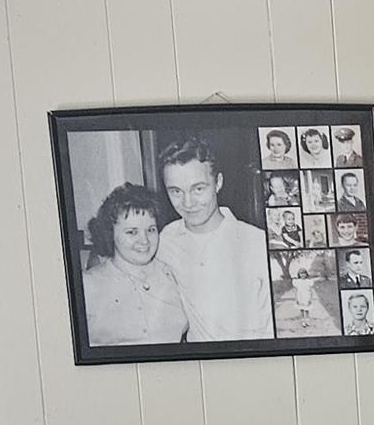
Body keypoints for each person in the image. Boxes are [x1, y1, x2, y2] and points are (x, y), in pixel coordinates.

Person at [153, 139, 275, 341]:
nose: (188, 203)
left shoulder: (257, 243)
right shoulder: (165, 240)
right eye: (176, 191)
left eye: (198, 189)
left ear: (218, 182)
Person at [80, 183, 188, 347]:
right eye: (132, 232)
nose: (144, 241)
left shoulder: (172, 274)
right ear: (110, 233)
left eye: (151, 230)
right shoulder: (87, 285)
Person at [273, 247, 339, 339]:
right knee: (301, 308)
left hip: (307, 296)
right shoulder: (297, 282)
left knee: (307, 308)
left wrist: (310, 297)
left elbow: (310, 290)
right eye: (301, 274)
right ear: (299, 275)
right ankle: (302, 320)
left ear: (306, 274)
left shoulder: (308, 281)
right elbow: (296, 290)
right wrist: (296, 297)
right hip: (300, 296)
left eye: (304, 274)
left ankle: (307, 320)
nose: (302, 275)